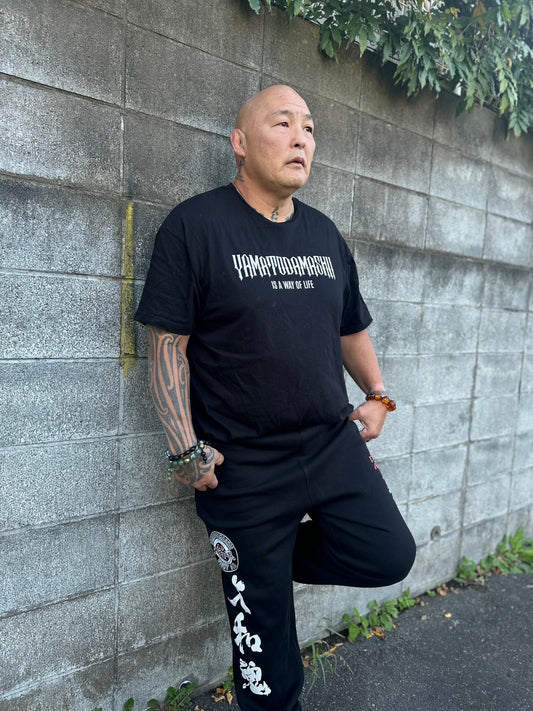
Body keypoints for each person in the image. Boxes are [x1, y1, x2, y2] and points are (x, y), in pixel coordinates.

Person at [135, 85, 416, 711]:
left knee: (389, 553)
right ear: (239, 143)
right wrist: (186, 451)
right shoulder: (194, 226)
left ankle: (265, 560)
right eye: (282, 124)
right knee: (268, 670)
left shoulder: (324, 234)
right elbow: (167, 348)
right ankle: (256, 568)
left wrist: (378, 395)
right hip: (245, 469)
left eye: (309, 128)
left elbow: (350, 327)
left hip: (331, 444)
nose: (300, 139)